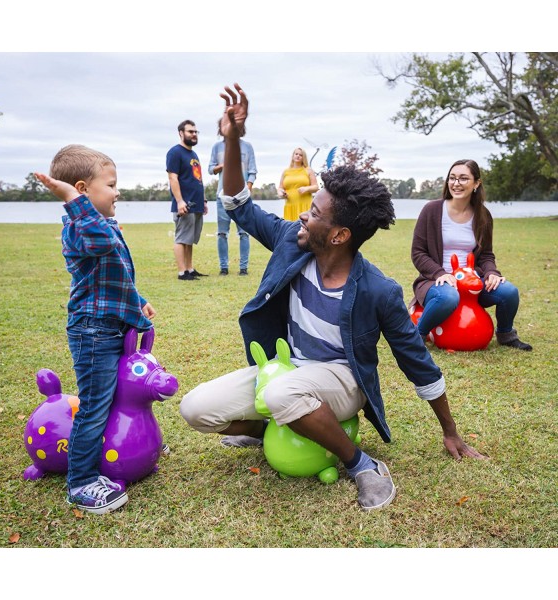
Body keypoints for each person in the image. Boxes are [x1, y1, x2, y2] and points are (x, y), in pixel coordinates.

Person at [180, 84, 485, 512]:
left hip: (341, 381)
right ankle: (265, 428)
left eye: (316, 213)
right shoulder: (293, 240)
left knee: (284, 394)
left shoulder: (377, 289)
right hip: (285, 370)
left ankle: (362, 465)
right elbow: (238, 204)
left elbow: (417, 360)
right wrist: (232, 140)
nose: (304, 214)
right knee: (196, 409)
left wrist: (450, 431)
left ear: (340, 235)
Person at [35, 144, 156, 514]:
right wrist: (72, 200)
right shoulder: (79, 228)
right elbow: (102, 246)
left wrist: (136, 300)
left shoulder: (100, 224)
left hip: (112, 325)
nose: (118, 191)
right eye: (112, 184)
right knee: (94, 407)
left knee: (119, 393)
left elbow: (116, 272)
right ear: (84, 189)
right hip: (92, 333)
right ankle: (81, 481)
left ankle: (132, 442)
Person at [411, 159, 532, 351]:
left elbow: (486, 254)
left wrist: (492, 273)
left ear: (476, 183)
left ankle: (506, 334)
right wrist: (440, 273)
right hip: (437, 281)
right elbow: (418, 252)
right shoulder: (432, 210)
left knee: (509, 292)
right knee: (448, 297)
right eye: (452, 178)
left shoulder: (483, 215)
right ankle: (417, 336)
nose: (456, 183)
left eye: (463, 178)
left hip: (472, 282)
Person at [209, 120, 257, 275]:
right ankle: (224, 268)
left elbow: (252, 171)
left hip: (242, 198)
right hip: (222, 197)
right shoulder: (216, 147)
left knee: (244, 233)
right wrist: (222, 166)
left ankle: (244, 268)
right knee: (222, 233)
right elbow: (211, 169)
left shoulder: (247, 147)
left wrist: (247, 191)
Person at [166, 120, 208, 281]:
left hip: (196, 203)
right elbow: (173, 178)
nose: (194, 134)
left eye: (196, 132)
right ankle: (182, 272)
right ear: (181, 133)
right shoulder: (175, 152)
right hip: (184, 203)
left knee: (190, 239)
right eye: (190, 131)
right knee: (182, 238)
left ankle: (190, 268)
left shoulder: (193, 154)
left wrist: (203, 200)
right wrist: (180, 201)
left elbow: (197, 178)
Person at [277, 147, 319, 221]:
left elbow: (316, 187)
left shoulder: (308, 170)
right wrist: (281, 193)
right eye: (296, 154)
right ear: (293, 156)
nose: (298, 156)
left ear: (303, 158)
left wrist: (306, 189)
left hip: (305, 206)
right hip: (290, 206)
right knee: (290, 229)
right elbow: (280, 188)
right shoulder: (286, 172)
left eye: (301, 155)